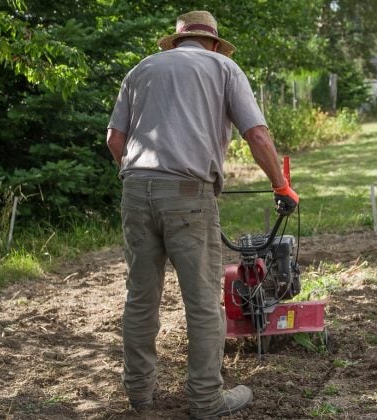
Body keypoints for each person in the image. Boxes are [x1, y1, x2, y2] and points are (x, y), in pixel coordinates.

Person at [105, 10, 298, 419]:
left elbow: (114, 139)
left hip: (135, 189)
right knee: (204, 302)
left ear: (177, 41)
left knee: (140, 299)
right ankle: (206, 399)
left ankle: (139, 396)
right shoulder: (223, 68)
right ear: (212, 42)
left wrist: (140, 177)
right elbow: (257, 134)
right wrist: (281, 185)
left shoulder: (141, 70)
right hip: (188, 194)